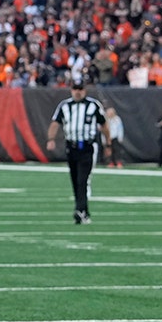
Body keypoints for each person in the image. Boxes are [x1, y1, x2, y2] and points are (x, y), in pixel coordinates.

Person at [46, 82, 110, 225]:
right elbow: (55, 122)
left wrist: (108, 143)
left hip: (87, 147)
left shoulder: (93, 105)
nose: (77, 92)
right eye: (75, 89)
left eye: (80, 89)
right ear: (71, 90)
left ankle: (79, 209)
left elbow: (104, 124)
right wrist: (51, 139)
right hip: (71, 147)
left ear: (85, 90)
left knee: (83, 180)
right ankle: (84, 212)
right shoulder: (64, 105)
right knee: (75, 181)